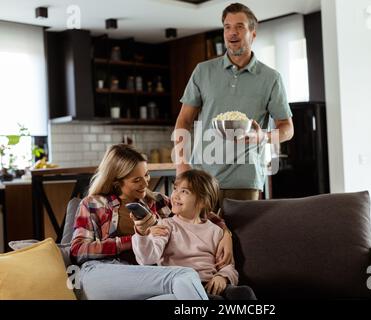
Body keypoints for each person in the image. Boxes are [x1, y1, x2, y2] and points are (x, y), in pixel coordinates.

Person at [70, 144, 232, 300]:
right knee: (185, 275)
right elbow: (78, 251)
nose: (146, 183)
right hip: (100, 273)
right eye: (137, 180)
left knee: (176, 294)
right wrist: (134, 239)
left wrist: (226, 234)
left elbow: (200, 211)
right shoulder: (92, 203)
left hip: (143, 275)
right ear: (116, 181)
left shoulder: (156, 201)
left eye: (147, 175)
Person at [174, 2, 294, 203]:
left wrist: (262, 136)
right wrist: (182, 165)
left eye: (239, 27)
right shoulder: (203, 72)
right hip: (204, 180)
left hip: (246, 182)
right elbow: (183, 121)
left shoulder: (271, 78)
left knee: (242, 235)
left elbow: (287, 129)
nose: (232, 33)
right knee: (201, 235)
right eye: (227, 27)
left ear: (253, 34)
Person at [132, 169, 256, 300]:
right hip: (183, 286)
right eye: (175, 189)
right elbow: (147, 258)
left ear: (203, 201)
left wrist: (223, 277)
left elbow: (228, 266)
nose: (175, 195)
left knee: (244, 293)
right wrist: (142, 234)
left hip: (211, 284)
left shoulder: (216, 231)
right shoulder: (166, 225)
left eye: (184, 191)